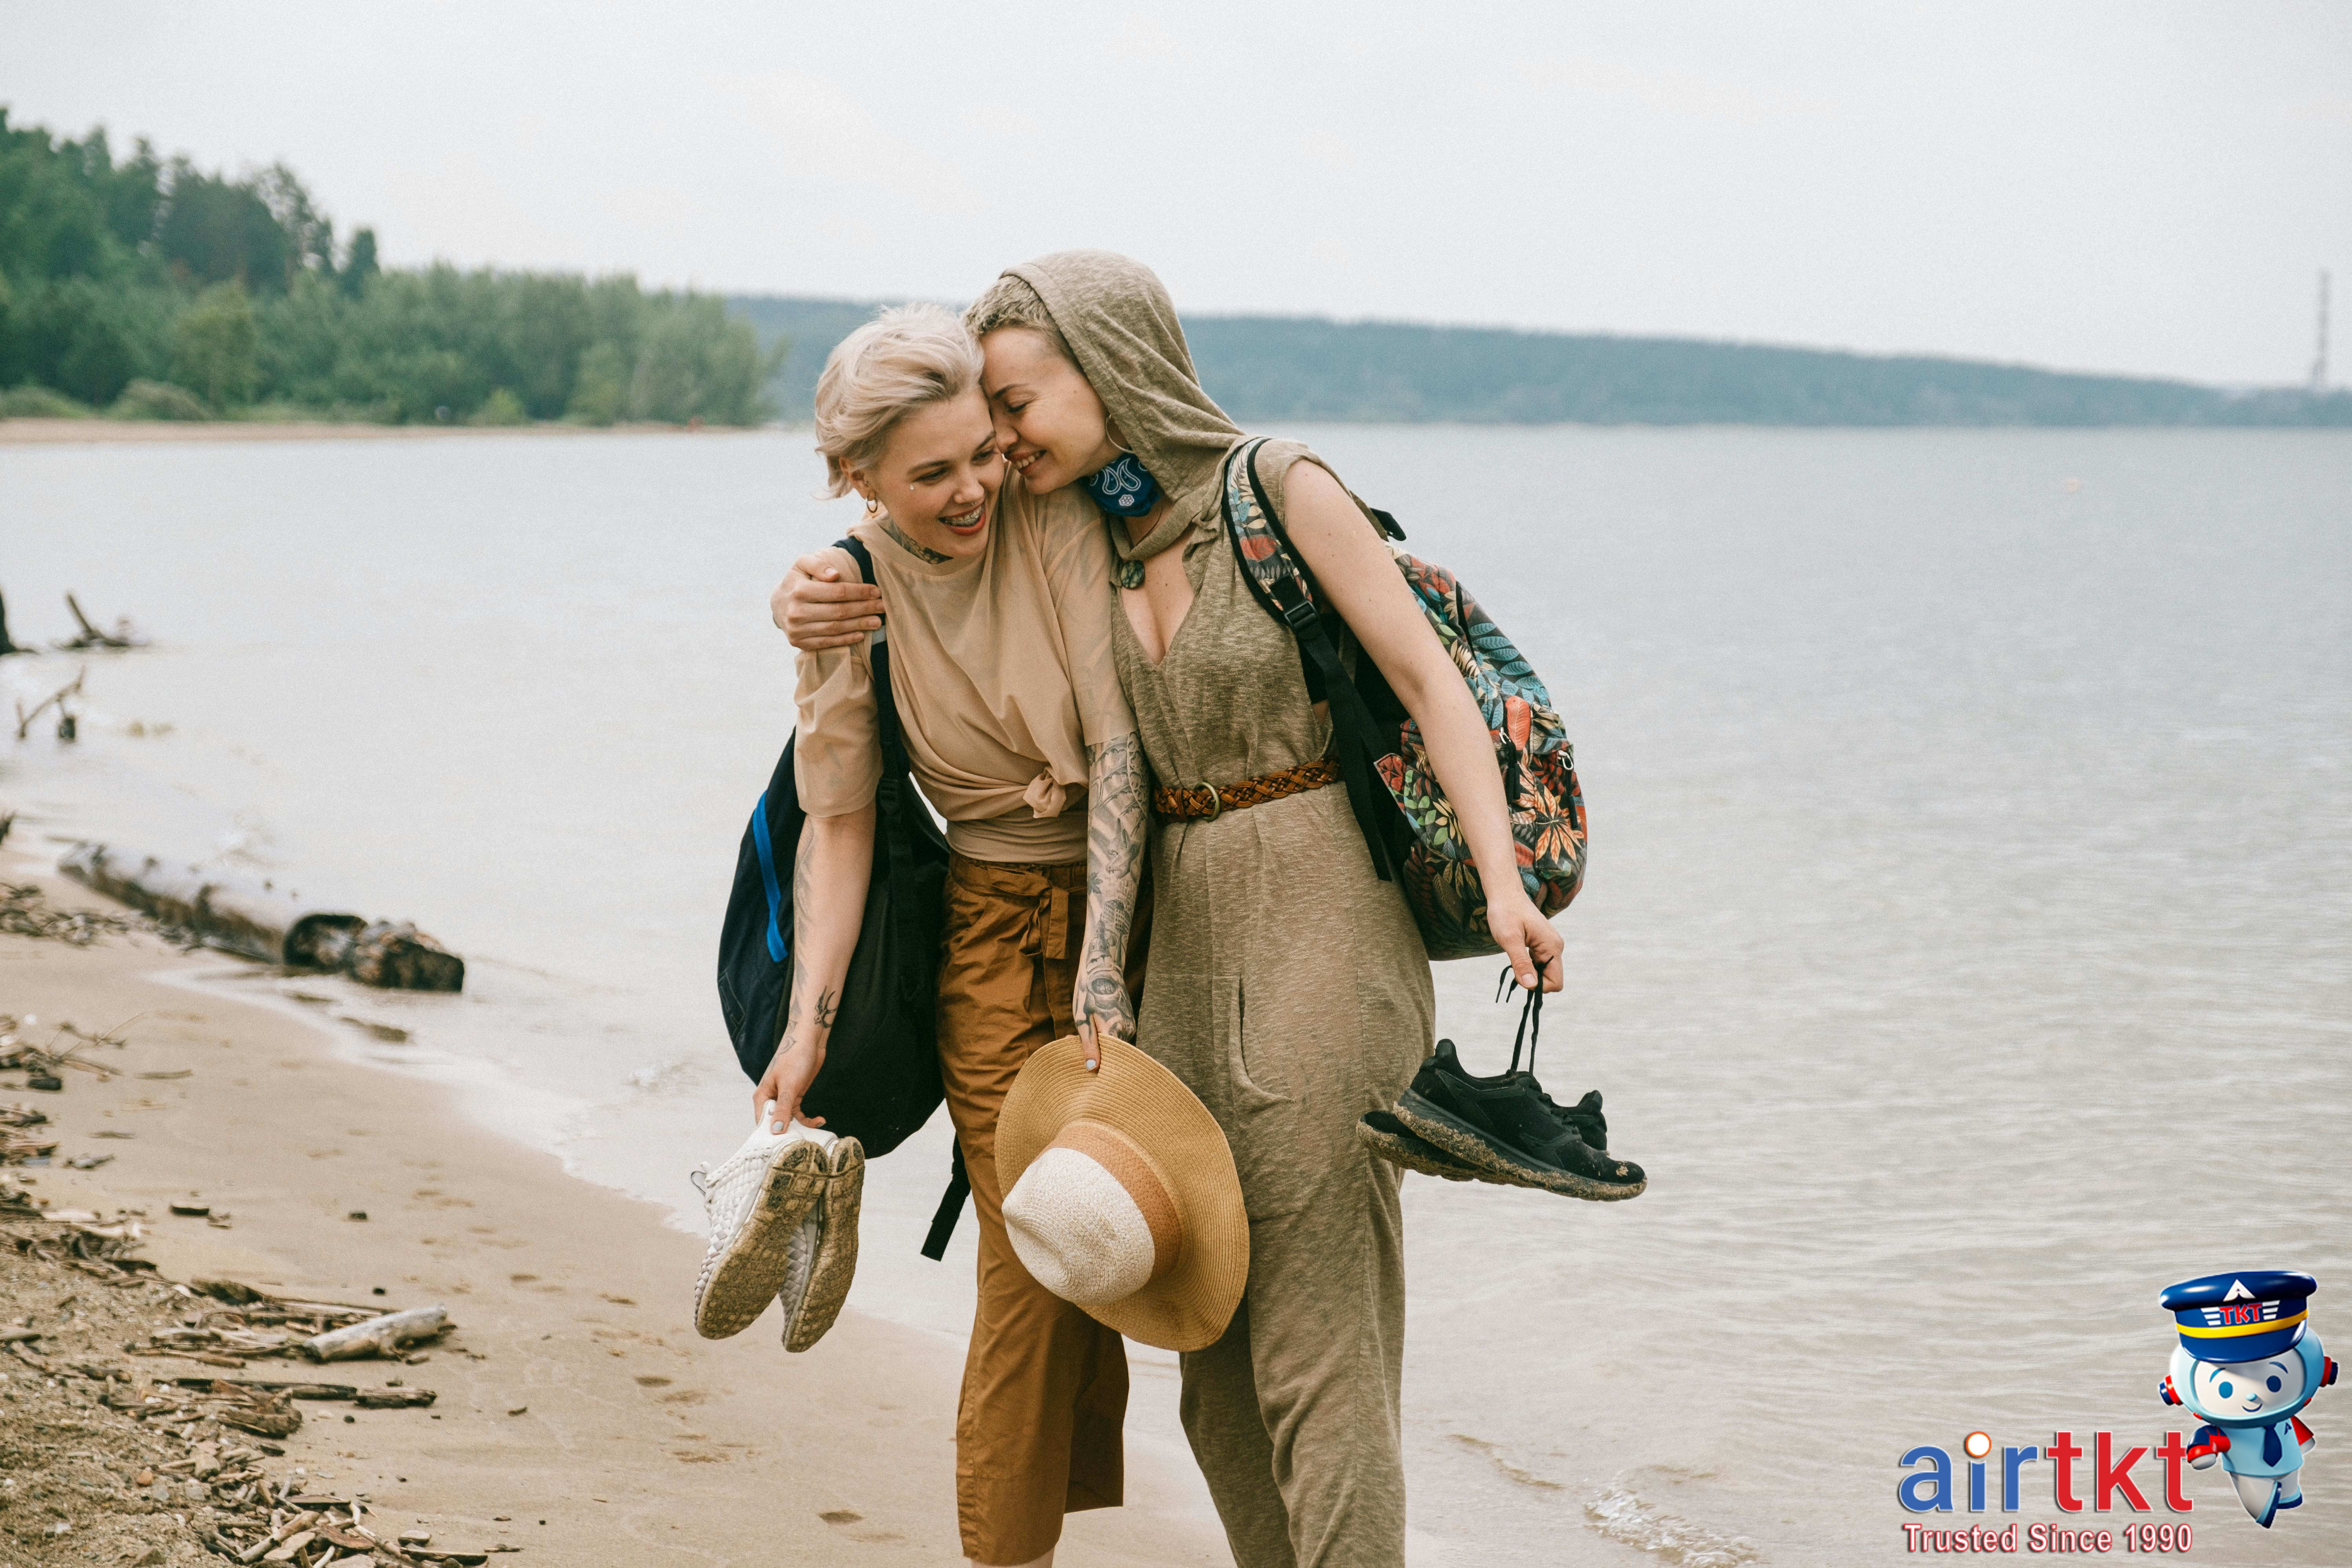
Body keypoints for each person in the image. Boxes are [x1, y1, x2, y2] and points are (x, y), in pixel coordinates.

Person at [779, 253, 1564, 1568]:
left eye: (1013, 411)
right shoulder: (1092, 524)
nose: (1001, 448)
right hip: (1174, 941)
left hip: (1318, 911)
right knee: (1211, 1352)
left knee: (1321, 1343)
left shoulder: (1274, 487)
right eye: (982, 426)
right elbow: (885, 713)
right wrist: (808, 595)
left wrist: (1504, 886)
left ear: (1111, 369)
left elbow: (1429, 684)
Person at [757, 303, 1150, 1568]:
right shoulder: (846, 593)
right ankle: (1009, 1552)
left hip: (1145, 911)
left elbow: (1116, 747)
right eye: (933, 473)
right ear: (854, 477)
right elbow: (841, 820)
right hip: (988, 937)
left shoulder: (1054, 514)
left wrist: (1106, 976)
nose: (977, 485)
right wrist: (802, 1033)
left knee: (1161, 1242)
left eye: (982, 448)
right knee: (1033, 1250)